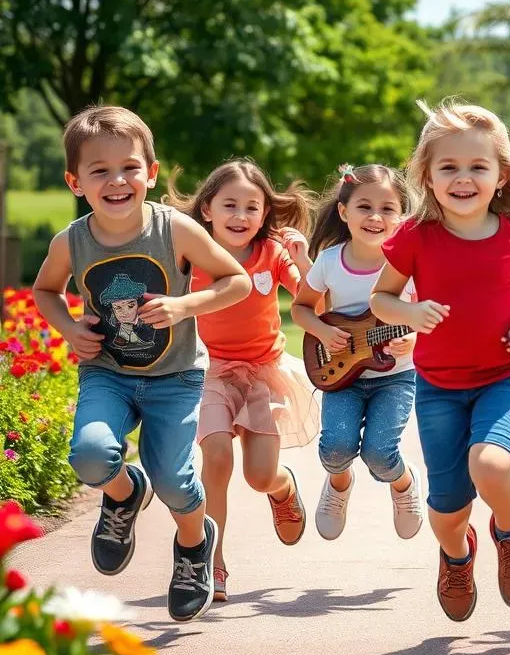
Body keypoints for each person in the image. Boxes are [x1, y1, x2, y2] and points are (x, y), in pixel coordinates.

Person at [33, 106, 251, 622]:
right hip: (107, 371)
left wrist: (183, 306)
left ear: (151, 173)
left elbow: (236, 280)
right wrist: (68, 329)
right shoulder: (72, 241)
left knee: (175, 483)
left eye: (130, 167)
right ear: (75, 181)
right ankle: (124, 494)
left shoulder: (173, 229)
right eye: (99, 170)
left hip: (174, 377)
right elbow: (45, 290)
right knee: (89, 455)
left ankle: (194, 546)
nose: (117, 180)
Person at [370, 100, 510, 622]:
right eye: (448, 168)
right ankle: (457, 556)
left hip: (505, 373)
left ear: (501, 176)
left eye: (478, 167)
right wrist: (409, 310)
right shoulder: (414, 237)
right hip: (437, 385)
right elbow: (380, 301)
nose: (463, 178)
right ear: (428, 178)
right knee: (448, 510)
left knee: (492, 463)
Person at [165, 159, 320, 602]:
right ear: (207, 210)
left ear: (266, 214)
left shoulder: (272, 252)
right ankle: (212, 561)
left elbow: (312, 299)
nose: (241, 216)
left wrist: (304, 259)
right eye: (229, 205)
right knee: (215, 456)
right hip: (210, 372)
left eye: (252, 207)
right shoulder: (188, 253)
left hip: (263, 376)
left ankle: (282, 486)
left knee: (258, 475)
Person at [291, 164, 424, 546]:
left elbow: (426, 318)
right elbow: (301, 307)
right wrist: (321, 329)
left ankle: (403, 484)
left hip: (395, 376)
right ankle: (339, 483)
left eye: (387, 208)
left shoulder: (409, 265)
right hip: (340, 375)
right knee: (336, 449)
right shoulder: (331, 262)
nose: (376, 217)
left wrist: (413, 341)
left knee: (382, 455)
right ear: (344, 212)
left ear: (402, 217)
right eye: (364, 206)